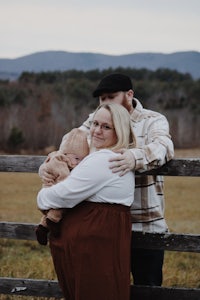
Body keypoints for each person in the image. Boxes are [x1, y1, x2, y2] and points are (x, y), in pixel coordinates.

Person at [39, 73, 174, 286]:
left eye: (111, 97)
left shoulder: (152, 120)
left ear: (129, 95)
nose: (105, 103)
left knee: (148, 288)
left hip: (145, 221)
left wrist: (133, 157)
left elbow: (164, 147)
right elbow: (69, 145)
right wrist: (49, 167)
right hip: (105, 227)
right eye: (102, 99)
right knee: (107, 285)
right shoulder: (96, 120)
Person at [37, 103, 136, 300]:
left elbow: (60, 196)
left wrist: (41, 197)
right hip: (95, 247)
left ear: (121, 130)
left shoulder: (104, 160)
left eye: (106, 127)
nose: (97, 131)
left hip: (92, 251)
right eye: (95, 123)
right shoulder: (110, 157)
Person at [35, 128, 89, 245]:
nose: (78, 163)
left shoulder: (65, 160)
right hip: (54, 187)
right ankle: (53, 224)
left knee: (53, 212)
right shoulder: (60, 163)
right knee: (58, 210)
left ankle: (42, 227)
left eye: (82, 160)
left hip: (53, 190)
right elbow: (65, 185)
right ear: (65, 154)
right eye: (76, 158)